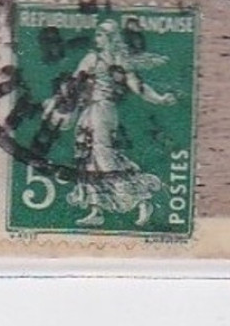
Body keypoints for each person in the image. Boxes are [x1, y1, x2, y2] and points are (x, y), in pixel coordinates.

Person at [38, 18, 177, 227]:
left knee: (104, 158)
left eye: (101, 35)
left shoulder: (117, 61)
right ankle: (97, 210)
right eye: (97, 34)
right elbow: (72, 85)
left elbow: (138, 87)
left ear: (111, 38)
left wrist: (159, 98)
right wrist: (53, 104)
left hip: (103, 111)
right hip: (90, 112)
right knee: (87, 157)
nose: (97, 38)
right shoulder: (92, 58)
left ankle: (140, 200)